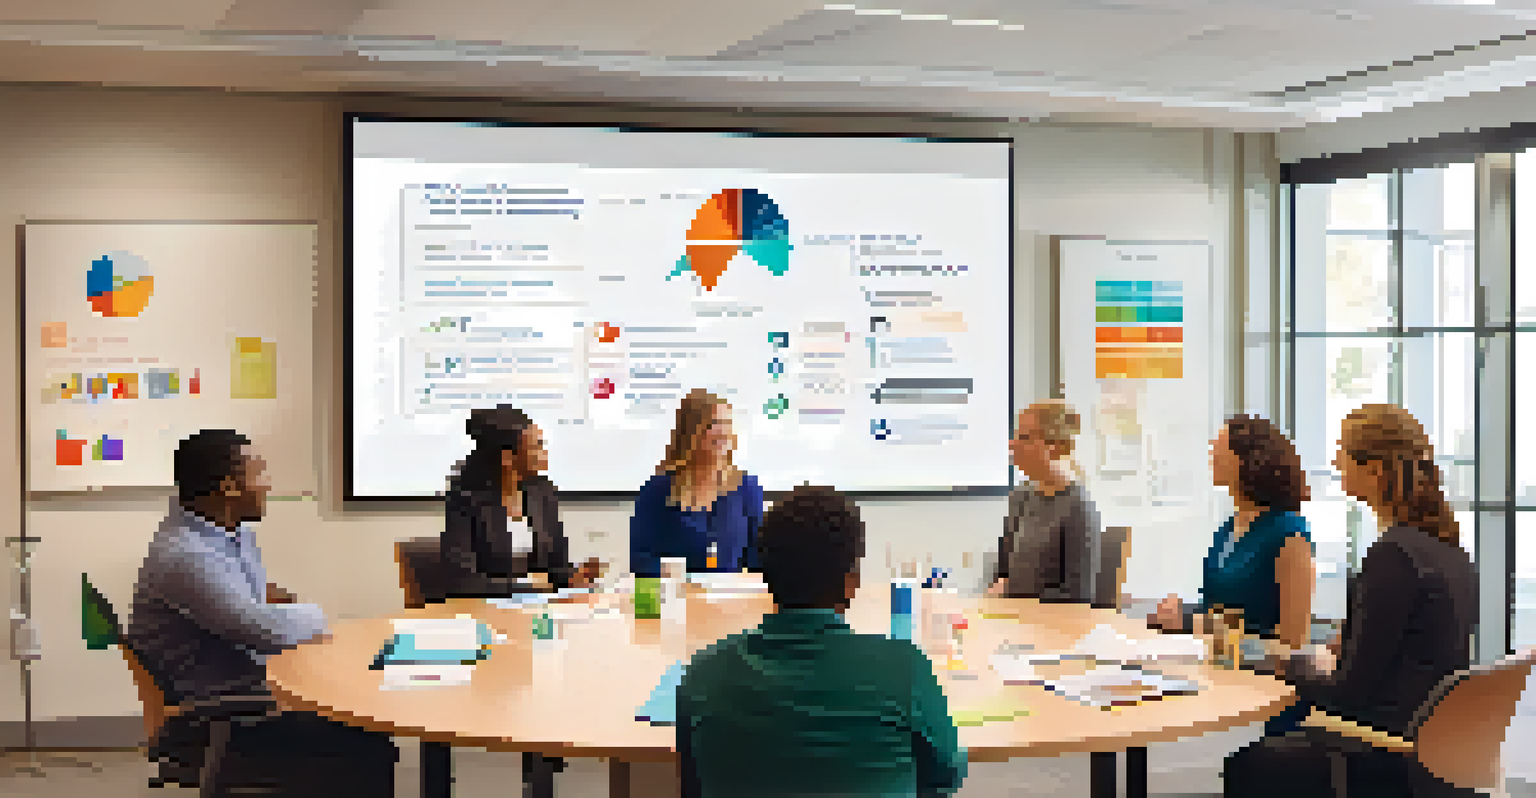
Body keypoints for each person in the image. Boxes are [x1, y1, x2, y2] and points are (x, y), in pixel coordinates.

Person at [1222, 404, 1479, 798]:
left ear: (1375, 470)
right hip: (1437, 753)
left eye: (1342, 451)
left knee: (1250, 764)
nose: (1335, 462)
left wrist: (1285, 664)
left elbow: (1348, 693)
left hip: (1383, 752)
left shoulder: (1392, 555)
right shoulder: (1449, 553)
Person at [127, 430, 397, 796]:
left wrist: (276, 612)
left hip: (241, 684)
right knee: (365, 734)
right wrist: (314, 616)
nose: (267, 485)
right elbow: (262, 628)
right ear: (229, 487)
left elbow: (257, 602)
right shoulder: (185, 555)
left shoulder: (229, 534)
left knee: (358, 711)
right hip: (218, 709)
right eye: (259, 473)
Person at [676, 484, 968, 798]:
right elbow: (947, 773)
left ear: (766, 576)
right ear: (851, 582)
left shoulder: (704, 674)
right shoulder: (903, 668)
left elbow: (693, 785)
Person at [1149, 414, 1314, 734]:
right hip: (1222, 673)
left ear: (1249, 461)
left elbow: (1291, 645)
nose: (1211, 453)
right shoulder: (1230, 527)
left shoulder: (1289, 534)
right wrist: (1182, 613)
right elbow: (1220, 611)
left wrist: (1189, 622)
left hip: (1263, 687)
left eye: (1220, 447)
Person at [441, 405, 597, 599]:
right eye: (537, 446)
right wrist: (530, 587)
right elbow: (463, 581)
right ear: (508, 457)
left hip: (538, 611)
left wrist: (574, 577)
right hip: (485, 614)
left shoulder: (542, 493)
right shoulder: (465, 500)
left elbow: (556, 567)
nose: (545, 453)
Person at [630, 389, 764, 578]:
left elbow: (757, 559)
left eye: (727, 424)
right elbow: (641, 559)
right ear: (690, 433)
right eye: (712, 424)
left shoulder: (747, 488)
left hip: (731, 599)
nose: (722, 432)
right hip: (677, 599)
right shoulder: (658, 490)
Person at [988, 400, 1103, 604]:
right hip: (1013, 619)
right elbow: (1002, 574)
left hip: (1050, 627)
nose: (1012, 444)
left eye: (1024, 437)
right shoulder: (1020, 496)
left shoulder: (1078, 506)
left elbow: (1077, 597)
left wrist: (1011, 591)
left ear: (1055, 447)